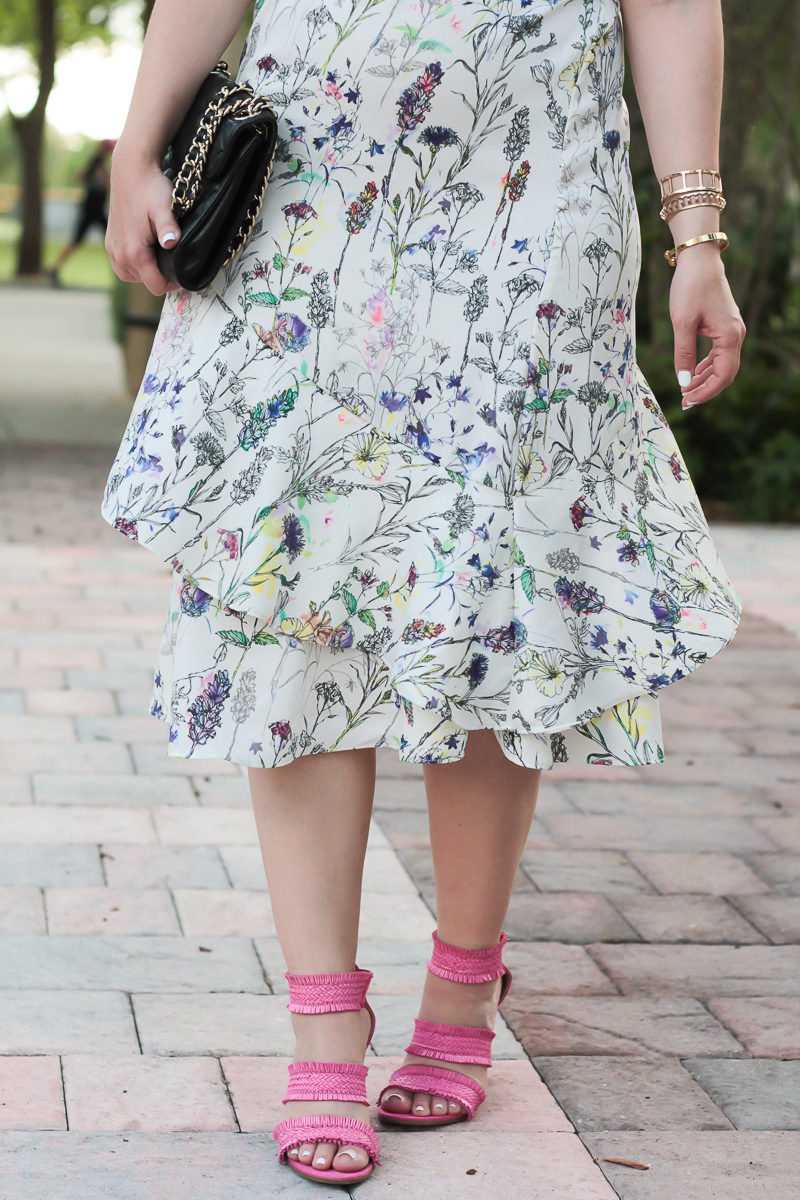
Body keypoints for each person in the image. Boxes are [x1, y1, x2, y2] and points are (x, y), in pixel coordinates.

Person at [101, 0, 745, 1185]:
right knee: (289, 585)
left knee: (492, 592)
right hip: (308, 177)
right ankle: (320, 1027)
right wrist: (140, 142)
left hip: (537, 184)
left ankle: (461, 979)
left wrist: (691, 231)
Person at [48, 139, 115, 285]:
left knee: (107, 240)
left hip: (94, 208)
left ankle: (54, 268)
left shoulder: (99, 161)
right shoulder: (97, 161)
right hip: (91, 208)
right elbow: (85, 176)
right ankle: (54, 269)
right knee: (107, 240)